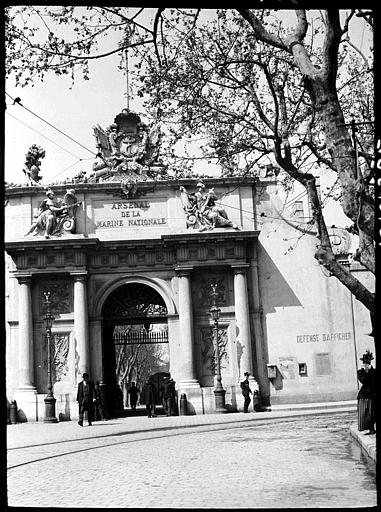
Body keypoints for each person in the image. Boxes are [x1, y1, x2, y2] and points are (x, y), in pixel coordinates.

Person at [357, 350, 376, 435]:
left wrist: (370, 370)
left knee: (372, 413)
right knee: (364, 414)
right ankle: (369, 428)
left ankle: (372, 428)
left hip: (373, 395)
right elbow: (363, 380)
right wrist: (365, 371)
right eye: (365, 363)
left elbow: (373, 380)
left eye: (367, 363)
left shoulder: (374, 371)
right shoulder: (360, 372)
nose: (366, 365)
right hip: (364, 395)